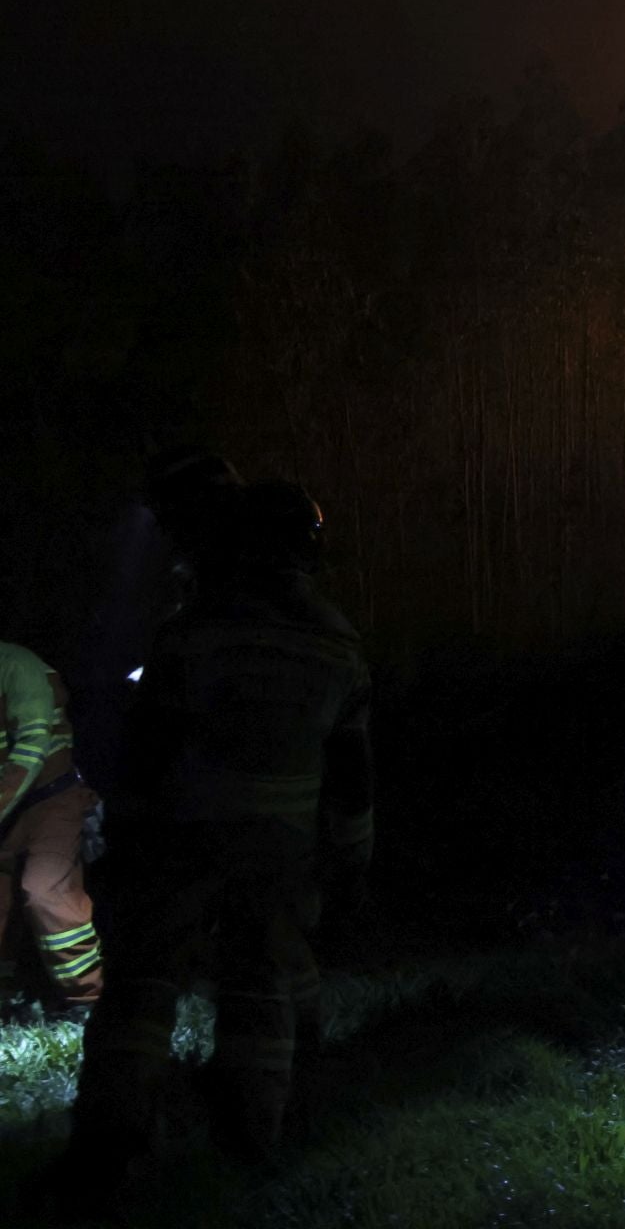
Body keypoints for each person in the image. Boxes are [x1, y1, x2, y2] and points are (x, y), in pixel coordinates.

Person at [65, 479, 373, 1179]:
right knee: (260, 984)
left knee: (143, 986)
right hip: (277, 848)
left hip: (183, 833)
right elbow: (351, 772)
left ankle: (111, 1142)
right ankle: (251, 1141)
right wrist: (350, 862)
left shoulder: (196, 627)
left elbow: (148, 743)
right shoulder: (337, 640)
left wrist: (125, 829)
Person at [0, 641, 104, 1016]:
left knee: (46, 892)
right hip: (11, 807)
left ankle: (88, 1000)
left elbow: (32, 746)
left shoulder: (16, 665)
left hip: (50, 799)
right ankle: (7, 996)